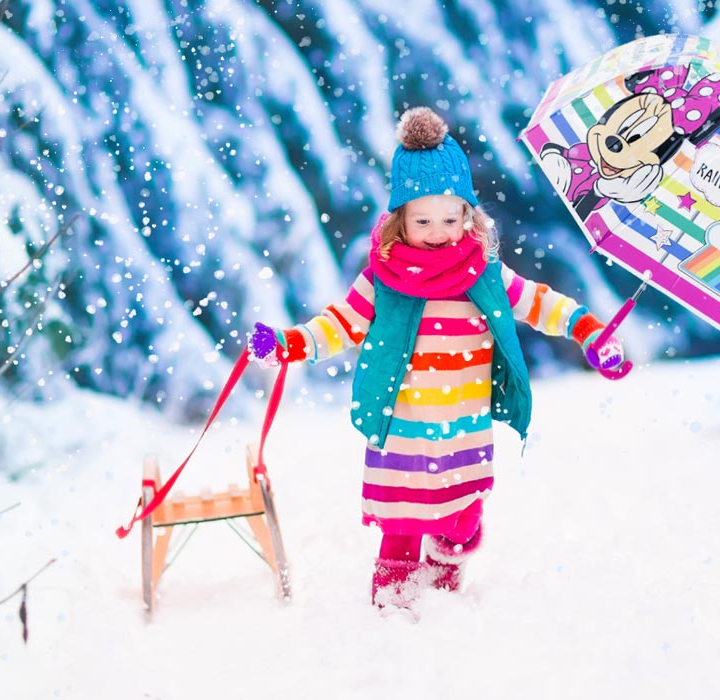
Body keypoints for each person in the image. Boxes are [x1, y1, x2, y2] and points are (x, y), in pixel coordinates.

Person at [249, 107, 624, 609]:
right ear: (399, 220)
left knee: (461, 521)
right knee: (401, 527)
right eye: (423, 220)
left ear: (468, 215)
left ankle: (444, 602)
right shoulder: (385, 278)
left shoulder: (484, 273)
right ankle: (393, 611)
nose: (438, 231)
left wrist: (586, 329)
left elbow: (538, 302)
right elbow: (339, 323)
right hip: (402, 429)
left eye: (451, 218)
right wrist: (288, 344)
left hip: (463, 430)